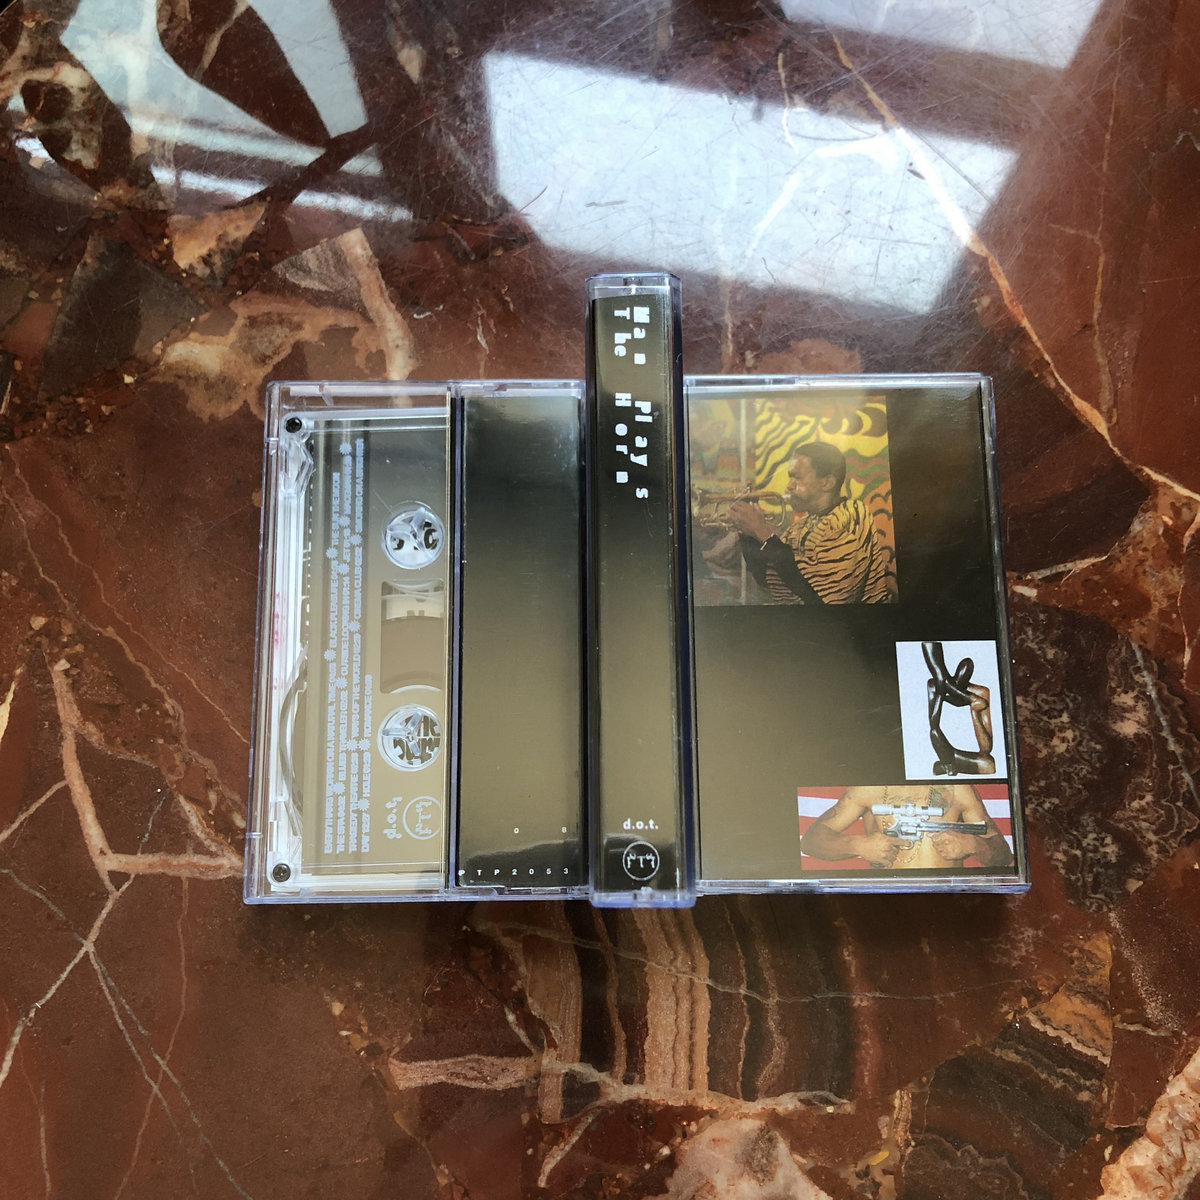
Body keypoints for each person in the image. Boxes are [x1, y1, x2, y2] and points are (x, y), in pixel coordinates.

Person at [726, 443, 890, 604]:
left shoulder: (852, 515)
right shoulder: (801, 526)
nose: (789, 486)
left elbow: (820, 597)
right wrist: (747, 531)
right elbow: (767, 579)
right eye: (790, 477)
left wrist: (761, 531)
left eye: (796, 477)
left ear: (827, 483)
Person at [799, 783, 1013, 870]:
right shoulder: (866, 788)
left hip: (945, 900)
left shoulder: (957, 788)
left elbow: (1004, 858)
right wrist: (858, 845)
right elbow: (810, 842)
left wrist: (974, 844)